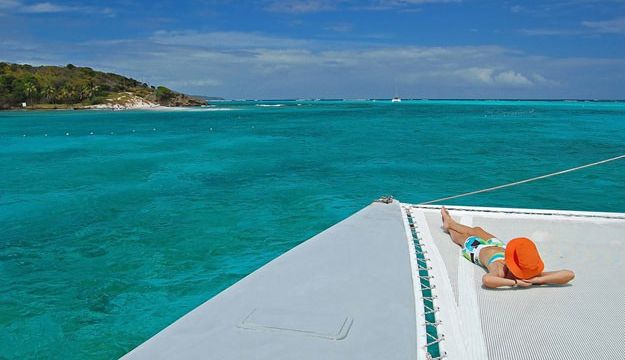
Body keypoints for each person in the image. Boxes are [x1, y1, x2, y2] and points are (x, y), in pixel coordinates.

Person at [441, 207, 575, 288]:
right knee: (478, 229)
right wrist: (539, 279)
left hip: (478, 250)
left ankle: (450, 228)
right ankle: (451, 223)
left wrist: (515, 282)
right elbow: (569, 274)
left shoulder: (500, 271)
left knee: (461, 238)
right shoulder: (529, 272)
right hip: (500, 246)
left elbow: (487, 280)